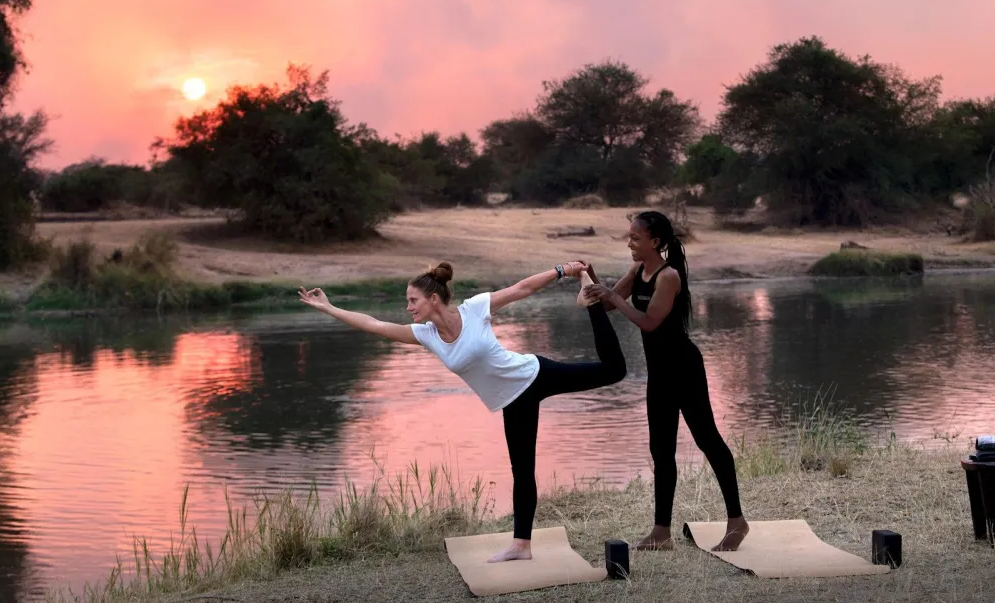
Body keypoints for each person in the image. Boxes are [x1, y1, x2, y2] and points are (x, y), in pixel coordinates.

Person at [297, 260, 626, 563]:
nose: (408, 307)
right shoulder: (427, 336)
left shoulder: (474, 310)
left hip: (534, 374)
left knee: (614, 371)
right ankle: (521, 545)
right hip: (512, 402)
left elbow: (522, 289)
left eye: (413, 300)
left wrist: (562, 270)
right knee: (522, 471)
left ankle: (593, 301)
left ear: (433, 300)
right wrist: (329, 308)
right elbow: (375, 324)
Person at [581, 211, 748, 552]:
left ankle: (737, 522)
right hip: (659, 373)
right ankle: (661, 531)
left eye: (635, 238)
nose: (629, 242)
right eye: (629, 237)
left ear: (654, 242)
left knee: (709, 441)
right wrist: (588, 276)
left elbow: (649, 322)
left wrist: (612, 297)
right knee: (661, 450)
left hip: (684, 368)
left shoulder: (667, 276)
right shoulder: (636, 271)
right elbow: (610, 302)